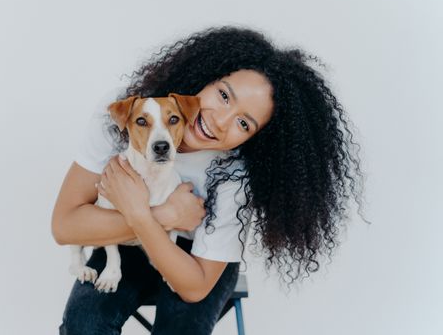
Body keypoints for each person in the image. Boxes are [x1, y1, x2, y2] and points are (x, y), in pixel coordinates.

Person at [51, 25, 366, 335]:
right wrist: (162, 216)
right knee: (85, 325)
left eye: (244, 123)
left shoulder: (234, 174)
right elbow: (65, 226)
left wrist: (140, 214)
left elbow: (195, 288)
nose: (219, 120)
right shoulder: (131, 115)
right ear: (206, 74)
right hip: (123, 243)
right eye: (224, 95)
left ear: (255, 139)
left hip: (196, 260)